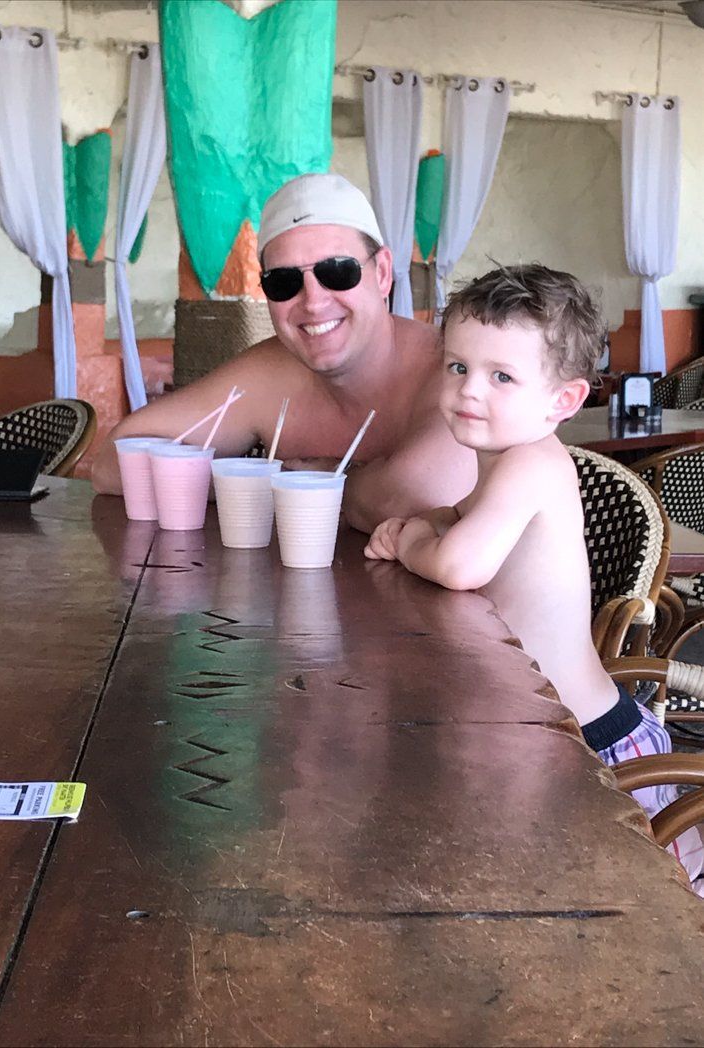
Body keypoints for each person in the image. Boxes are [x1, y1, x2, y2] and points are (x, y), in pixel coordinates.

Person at [364, 263, 703, 891]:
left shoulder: (531, 463)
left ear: (564, 400)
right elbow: (463, 519)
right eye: (458, 367)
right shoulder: (498, 458)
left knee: (638, 907)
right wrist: (435, 520)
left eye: (501, 377)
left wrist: (411, 537)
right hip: (533, 722)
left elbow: (461, 565)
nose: (469, 391)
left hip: (589, 746)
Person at [92, 173, 476, 528]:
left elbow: (417, 498)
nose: (313, 301)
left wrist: (318, 479)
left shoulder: (452, 366)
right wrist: (254, 484)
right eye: (284, 281)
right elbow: (113, 462)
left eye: (338, 271)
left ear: (382, 274)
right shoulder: (273, 371)